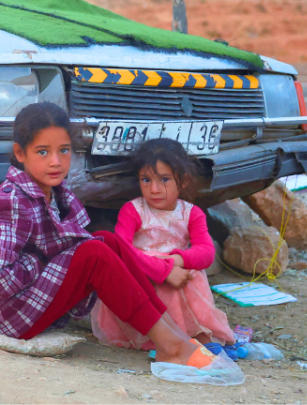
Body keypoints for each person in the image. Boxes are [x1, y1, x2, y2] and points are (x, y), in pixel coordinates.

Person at [0, 102, 220, 369]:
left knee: (107, 240)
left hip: (29, 302)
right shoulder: (13, 198)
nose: (55, 162)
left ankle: (174, 336)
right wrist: (46, 267)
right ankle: (171, 346)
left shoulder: (58, 193)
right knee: (93, 253)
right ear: (20, 153)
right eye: (42, 152)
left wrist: (57, 266)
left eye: (64, 150)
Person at [92, 138, 234, 351]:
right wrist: (163, 270)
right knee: (162, 280)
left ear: (183, 181)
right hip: (142, 273)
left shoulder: (191, 213)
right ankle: (160, 338)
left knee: (192, 275)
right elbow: (121, 251)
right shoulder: (133, 210)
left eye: (164, 179)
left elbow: (206, 253)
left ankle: (197, 333)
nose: (155, 189)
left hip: (176, 273)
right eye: (146, 180)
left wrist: (176, 260)